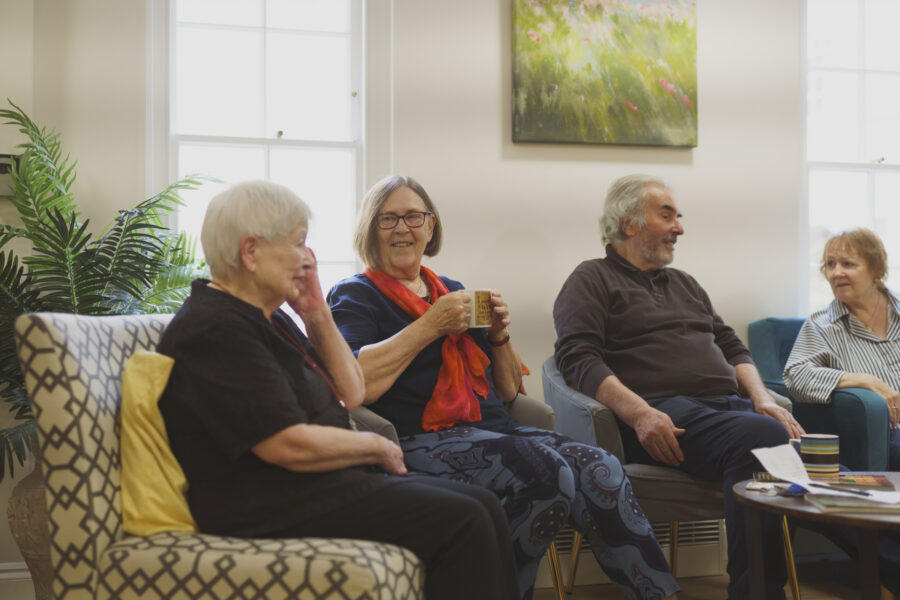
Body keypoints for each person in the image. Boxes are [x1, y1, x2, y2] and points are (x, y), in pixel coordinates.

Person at [156, 180, 520, 600]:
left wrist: (315, 311)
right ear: (251, 252)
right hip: (267, 502)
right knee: (468, 518)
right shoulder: (217, 327)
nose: (307, 258)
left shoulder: (268, 319)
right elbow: (284, 444)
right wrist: (373, 447)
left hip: (309, 487)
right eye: (297, 244)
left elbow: (352, 390)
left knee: (483, 506)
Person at [327, 174, 679, 600]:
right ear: (370, 229)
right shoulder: (355, 295)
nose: (403, 229)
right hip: (418, 438)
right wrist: (430, 325)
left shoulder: (453, 292)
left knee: (601, 467)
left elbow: (510, 392)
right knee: (547, 474)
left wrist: (498, 335)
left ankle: (660, 595)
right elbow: (357, 385)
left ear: (431, 226)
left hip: (495, 429)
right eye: (388, 219)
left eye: (414, 217)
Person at [553, 174, 805, 600]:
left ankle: (886, 570)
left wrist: (763, 399)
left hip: (727, 412)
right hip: (666, 416)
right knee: (764, 440)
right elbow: (576, 359)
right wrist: (640, 414)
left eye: (678, 216)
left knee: (825, 465)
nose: (679, 228)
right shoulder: (591, 279)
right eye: (666, 215)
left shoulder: (685, 283)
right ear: (630, 223)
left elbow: (731, 346)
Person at [784, 228, 900, 470]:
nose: (837, 273)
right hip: (889, 434)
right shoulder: (822, 325)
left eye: (848, 264)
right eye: (830, 264)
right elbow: (797, 376)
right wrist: (865, 380)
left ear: (876, 269)